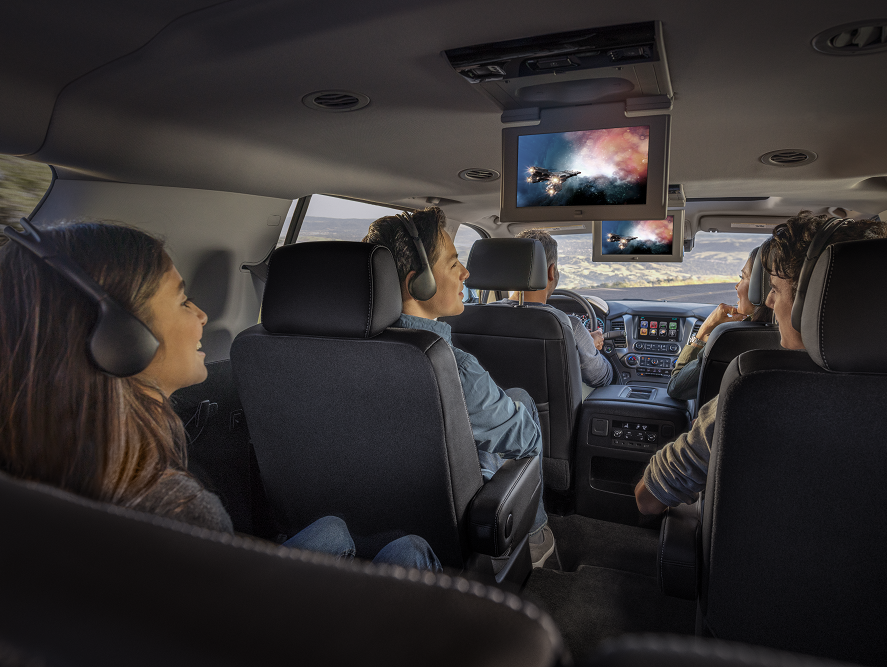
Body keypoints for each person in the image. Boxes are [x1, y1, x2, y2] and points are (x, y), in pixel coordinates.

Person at [0, 221, 440, 571]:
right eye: (182, 299)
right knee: (411, 550)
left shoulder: (27, 476)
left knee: (334, 530)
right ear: (120, 339)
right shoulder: (178, 511)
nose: (202, 313)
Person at [634, 212, 887, 515]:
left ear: (809, 302)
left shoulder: (755, 387)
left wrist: (703, 334)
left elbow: (648, 498)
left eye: (775, 290)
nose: (767, 300)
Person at [364, 208, 556, 567]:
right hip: (450, 520)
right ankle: (536, 533)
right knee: (522, 415)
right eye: (454, 263)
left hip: (366, 511)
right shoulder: (451, 368)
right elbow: (526, 439)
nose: (466, 272)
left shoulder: (322, 351)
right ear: (417, 282)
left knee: (517, 398)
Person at [497, 228, 612, 393]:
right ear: (552, 271)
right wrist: (587, 346)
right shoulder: (568, 325)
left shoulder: (474, 317)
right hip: (549, 418)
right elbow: (601, 378)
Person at [666, 245, 774, 400]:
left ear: (761, 287)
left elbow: (676, 387)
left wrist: (704, 330)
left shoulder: (732, 338)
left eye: (743, 277)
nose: (737, 286)